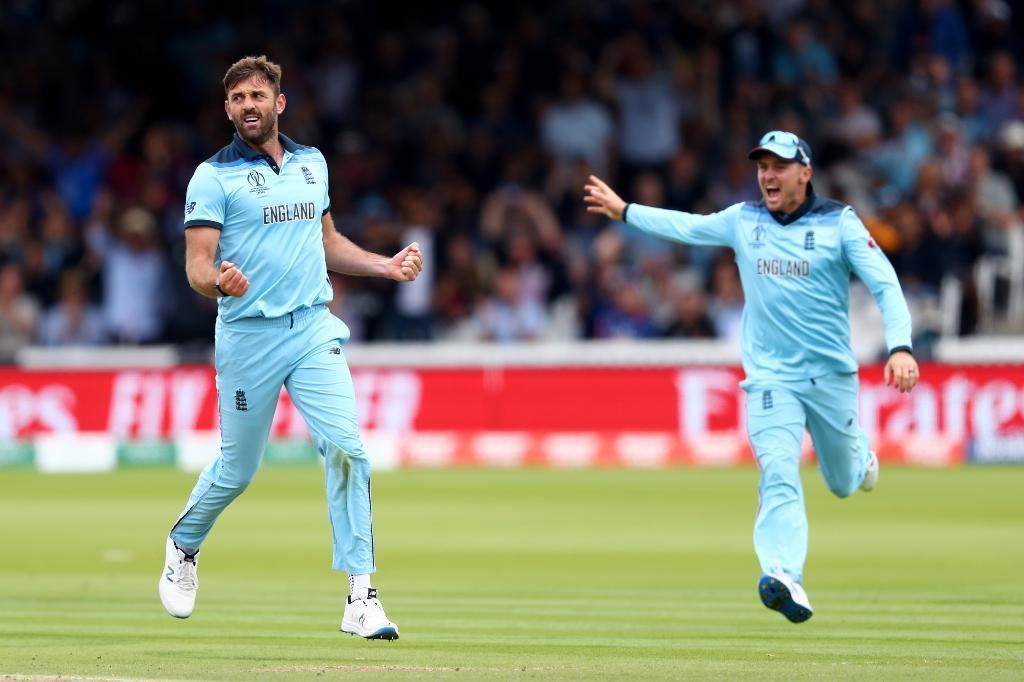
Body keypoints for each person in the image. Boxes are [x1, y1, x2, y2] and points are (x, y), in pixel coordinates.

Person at [584, 130, 919, 624]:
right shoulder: (744, 220)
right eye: (762, 166)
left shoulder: (839, 222)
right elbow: (689, 227)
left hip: (830, 378)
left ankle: (859, 456)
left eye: (779, 166)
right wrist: (626, 210)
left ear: (805, 172)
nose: (768, 175)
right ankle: (785, 575)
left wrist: (901, 346)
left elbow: (885, 283)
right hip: (769, 380)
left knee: (845, 482)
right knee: (778, 473)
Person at [158, 56, 422, 640]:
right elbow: (197, 264)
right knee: (238, 469)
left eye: (259, 95)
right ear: (227, 110)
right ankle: (183, 543)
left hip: (312, 329)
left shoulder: (312, 164)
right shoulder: (212, 176)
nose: (249, 105)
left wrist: (384, 265)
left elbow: (325, 242)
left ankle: (362, 595)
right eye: (238, 98)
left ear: (280, 103)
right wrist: (216, 282)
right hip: (249, 336)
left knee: (348, 450)